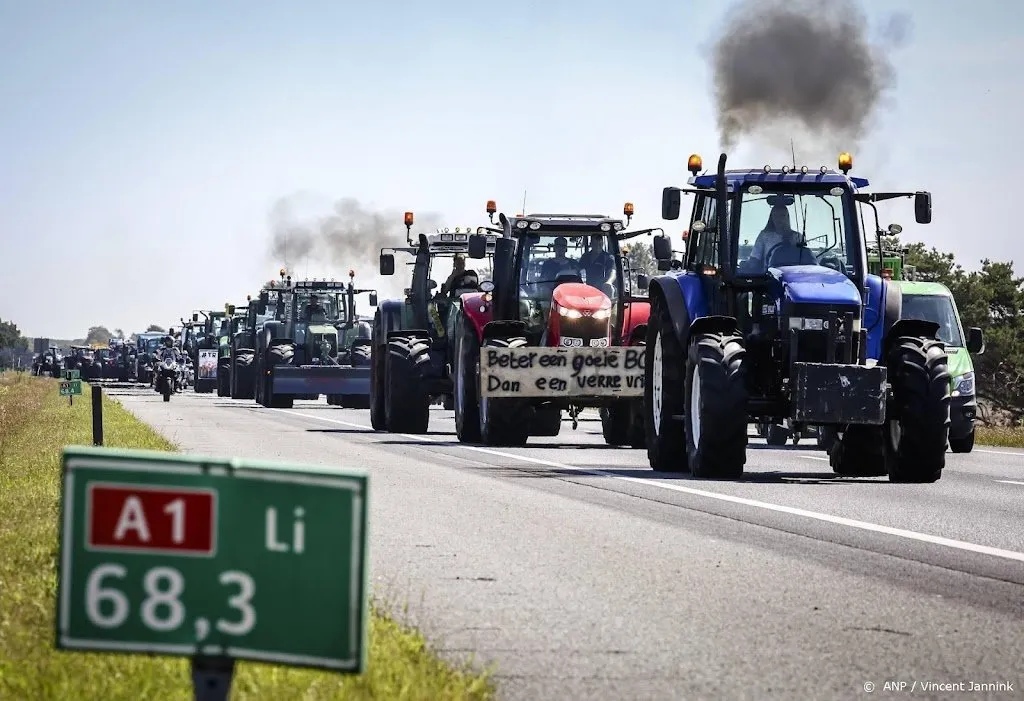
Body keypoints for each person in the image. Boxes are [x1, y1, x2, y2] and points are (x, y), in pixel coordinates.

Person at [742, 204, 810, 271]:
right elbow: (755, 259)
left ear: (787, 217)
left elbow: (807, 259)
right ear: (771, 218)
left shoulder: (797, 237)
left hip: (793, 276)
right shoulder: (764, 236)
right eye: (776, 216)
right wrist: (746, 267)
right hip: (769, 277)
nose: (779, 219)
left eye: (782, 216)